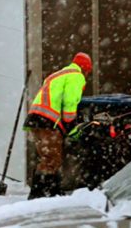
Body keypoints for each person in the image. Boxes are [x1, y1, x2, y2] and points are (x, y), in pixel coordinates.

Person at [23, 51, 92, 199]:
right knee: (51, 159)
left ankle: (47, 191)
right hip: (48, 120)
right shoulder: (76, 76)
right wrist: (71, 125)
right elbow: (70, 102)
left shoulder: (58, 74)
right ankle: (42, 194)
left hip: (37, 119)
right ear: (85, 69)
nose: (86, 76)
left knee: (49, 157)